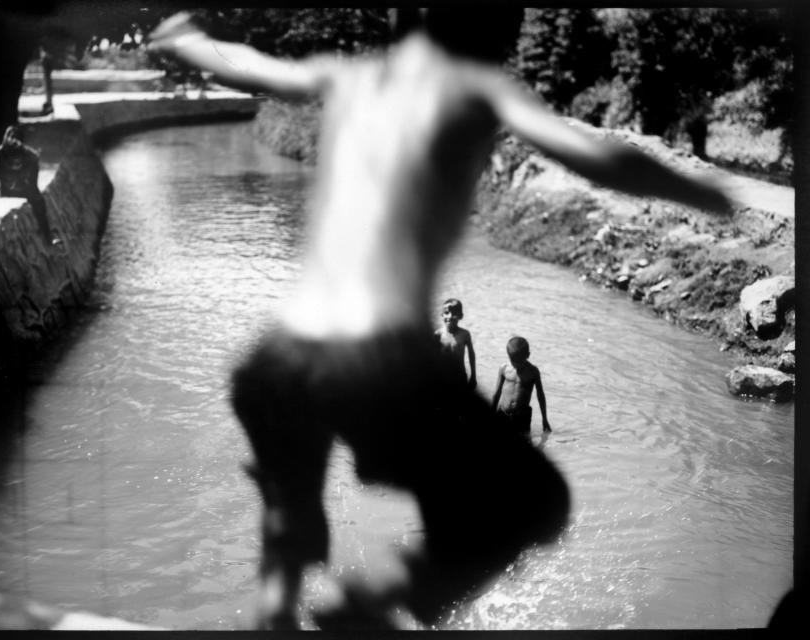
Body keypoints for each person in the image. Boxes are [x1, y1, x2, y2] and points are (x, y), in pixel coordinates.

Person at [146, 7, 732, 630]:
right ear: (493, 38)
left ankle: (278, 615)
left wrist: (191, 41)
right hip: (374, 359)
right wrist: (711, 193)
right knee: (536, 503)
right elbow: (593, 154)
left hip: (276, 359)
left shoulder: (353, 75)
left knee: (290, 531)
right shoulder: (477, 88)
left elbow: (251, 64)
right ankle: (372, 598)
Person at [0, 126, 57, 246]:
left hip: (24, 189)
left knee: (39, 204)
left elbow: (33, 182)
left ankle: (48, 237)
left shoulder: (30, 156)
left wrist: (30, 189)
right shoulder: (0, 153)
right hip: (7, 190)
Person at [490, 336, 551, 437]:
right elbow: (496, 394)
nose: (516, 364)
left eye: (519, 361)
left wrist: (544, 419)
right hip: (502, 414)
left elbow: (540, 395)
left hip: (522, 418)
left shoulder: (533, 371)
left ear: (528, 355)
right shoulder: (504, 368)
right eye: (513, 361)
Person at [434, 298, 476, 390]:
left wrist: (473, 376)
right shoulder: (438, 335)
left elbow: (471, 354)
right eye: (446, 312)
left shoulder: (465, 334)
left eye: (454, 313)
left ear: (461, 316)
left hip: (460, 377)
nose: (450, 316)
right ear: (441, 315)